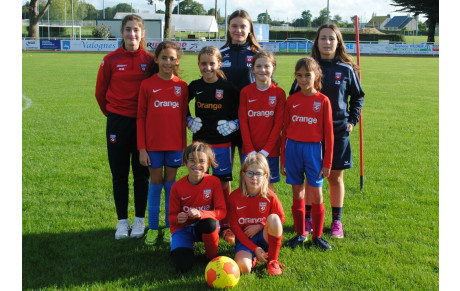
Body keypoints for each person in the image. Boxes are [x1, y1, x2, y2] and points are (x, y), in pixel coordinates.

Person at [289, 23, 365, 238]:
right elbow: (293, 95)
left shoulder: (346, 69)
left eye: (332, 38)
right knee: (310, 178)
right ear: (317, 41)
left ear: (338, 42)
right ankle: (309, 218)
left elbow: (358, 96)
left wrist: (352, 121)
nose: (327, 42)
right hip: (311, 134)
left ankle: (336, 222)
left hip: (338, 130)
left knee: (334, 177)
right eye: (323, 38)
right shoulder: (309, 67)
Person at [95, 14, 154, 240]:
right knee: (119, 175)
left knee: (141, 175)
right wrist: (113, 114)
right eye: (128, 30)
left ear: (142, 33)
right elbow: (100, 93)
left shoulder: (149, 61)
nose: (132, 34)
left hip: (142, 124)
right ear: (121, 32)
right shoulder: (110, 60)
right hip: (117, 123)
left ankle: (139, 220)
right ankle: (122, 222)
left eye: (136, 30)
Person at [137, 41, 189, 246]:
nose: (168, 62)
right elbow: (140, 118)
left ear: (177, 61)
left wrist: (184, 148)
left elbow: (184, 118)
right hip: (153, 147)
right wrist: (142, 148)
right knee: (155, 186)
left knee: (171, 187)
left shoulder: (182, 86)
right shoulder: (147, 85)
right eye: (164, 58)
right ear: (156, 59)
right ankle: (152, 228)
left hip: (175, 146)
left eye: (172, 58)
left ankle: (170, 226)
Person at [187, 46, 240, 244]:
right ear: (198, 65)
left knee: (222, 183)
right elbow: (180, 101)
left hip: (222, 143)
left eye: (212, 63)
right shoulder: (193, 86)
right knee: (199, 182)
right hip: (199, 143)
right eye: (203, 63)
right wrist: (188, 119)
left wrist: (235, 123)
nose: (207, 67)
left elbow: (244, 105)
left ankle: (225, 225)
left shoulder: (228, 87)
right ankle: (201, 221)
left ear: (219, 64)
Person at [281, 57, 333, 250]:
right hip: (293, 149)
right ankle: (300, 233)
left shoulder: (323, 101)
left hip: (313, 150)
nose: (303, 79)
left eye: (307, 75)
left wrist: (327, 162)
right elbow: (285, 131)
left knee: (316, 193)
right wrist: (283, 158)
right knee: (297, 191)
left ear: (316, 75)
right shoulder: (292, 100)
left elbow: (329, 135)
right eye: (299, 75)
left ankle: (317, 236)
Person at [168, 142, 227, 273]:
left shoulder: (214, 182)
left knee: (209, 224)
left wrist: (201, 214)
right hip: (183, 229)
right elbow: (171, 218)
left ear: (208, 164)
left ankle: (210, 257)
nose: (197, 165)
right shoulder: (177, 187)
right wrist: (178, 217)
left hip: (203, 225)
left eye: (201, 161)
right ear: (185, 162)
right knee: (183, 266)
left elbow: (221, 212)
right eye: (192, 161)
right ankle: (182, 244)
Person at [220, 9, 262, 171]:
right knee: (224, 171)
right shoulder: (220, 54)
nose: (238, 30)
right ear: (229, 28)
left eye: (243, 26)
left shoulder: (259, 55)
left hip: (252, 119)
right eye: (234, 26)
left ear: (249, 29)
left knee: (251, 169)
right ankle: (227, 198)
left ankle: (248, 197)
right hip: (225, 119)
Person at [229, 154, 285, 275]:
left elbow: (281, 218)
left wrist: (260, 225)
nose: (254, 178)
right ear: (243, 174)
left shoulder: (270, 196)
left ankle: (273, 261)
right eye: (250, 173)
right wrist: (254, 248)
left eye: (258, 174)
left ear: (265, 176)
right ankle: (254, 257)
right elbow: (235, 228)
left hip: (264, 236)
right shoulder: (234, 197)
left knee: (274, 219)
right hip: (245, 239)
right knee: (243, 268)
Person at [238, 50, 285, 192]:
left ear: (273, 68)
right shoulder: (246, 92)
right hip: (249, 151)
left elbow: (278, 125)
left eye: (267, 66)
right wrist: (250, 150)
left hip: (270, 151)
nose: (262, 70)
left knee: (268, 188)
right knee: (248, 186)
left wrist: (265, 151)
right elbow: (243, 123)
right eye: (258, 66)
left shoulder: (279, 93)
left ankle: (269, 214)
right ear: (253, 69)